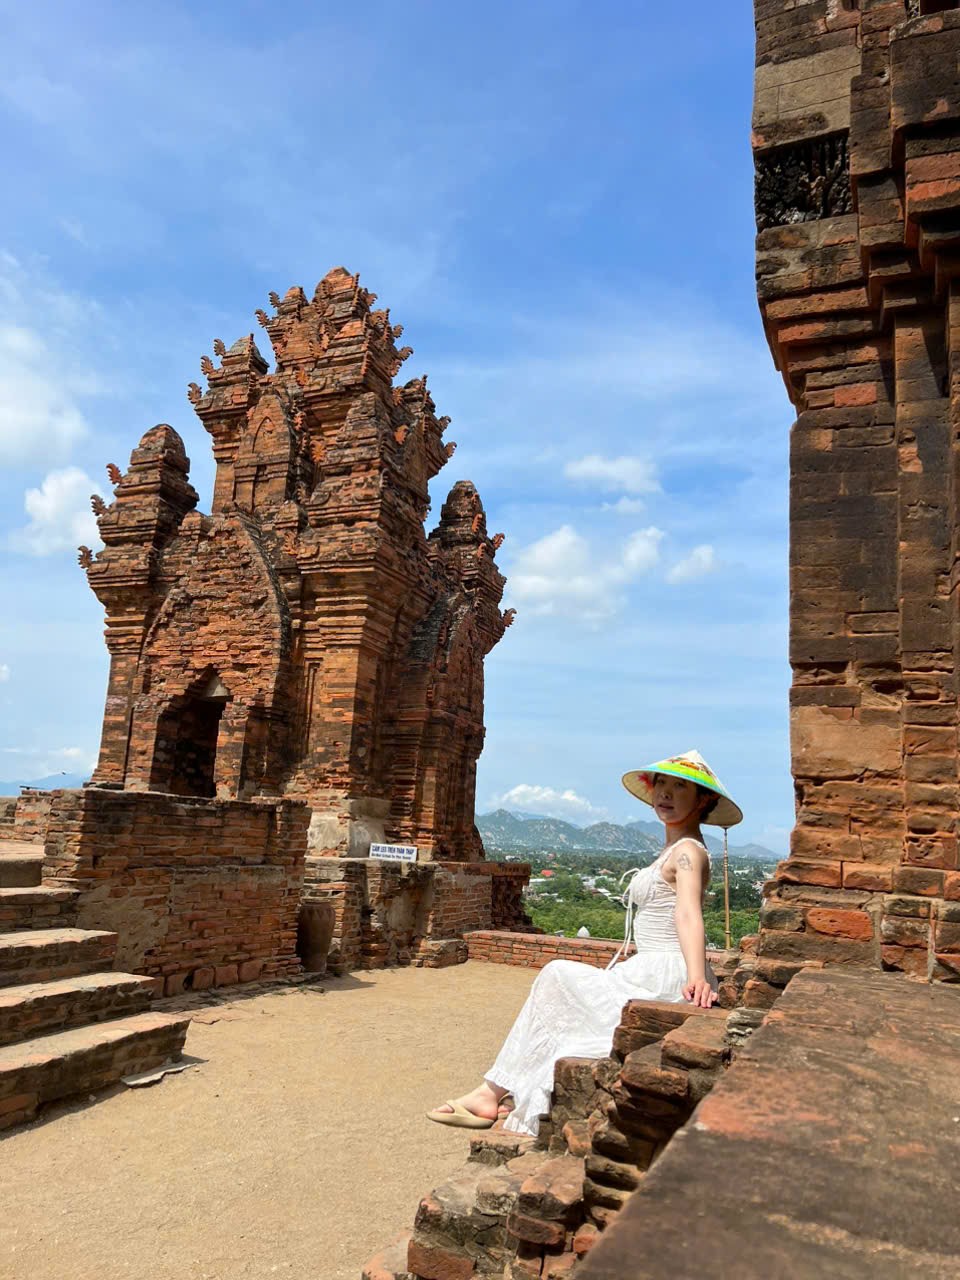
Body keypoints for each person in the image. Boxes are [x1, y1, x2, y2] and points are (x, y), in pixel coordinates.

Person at [426, 749, 742, 1136]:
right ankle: (493, 1092)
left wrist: (697, 975)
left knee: (557, 974)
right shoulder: (674, 850)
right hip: (649, 967)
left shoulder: (689, 852)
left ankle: (490, 1092)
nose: (666, 793)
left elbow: (688, 913)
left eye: (680, 786)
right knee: (557, 983)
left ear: (703, 800)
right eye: (662, 783)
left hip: (666, 971)